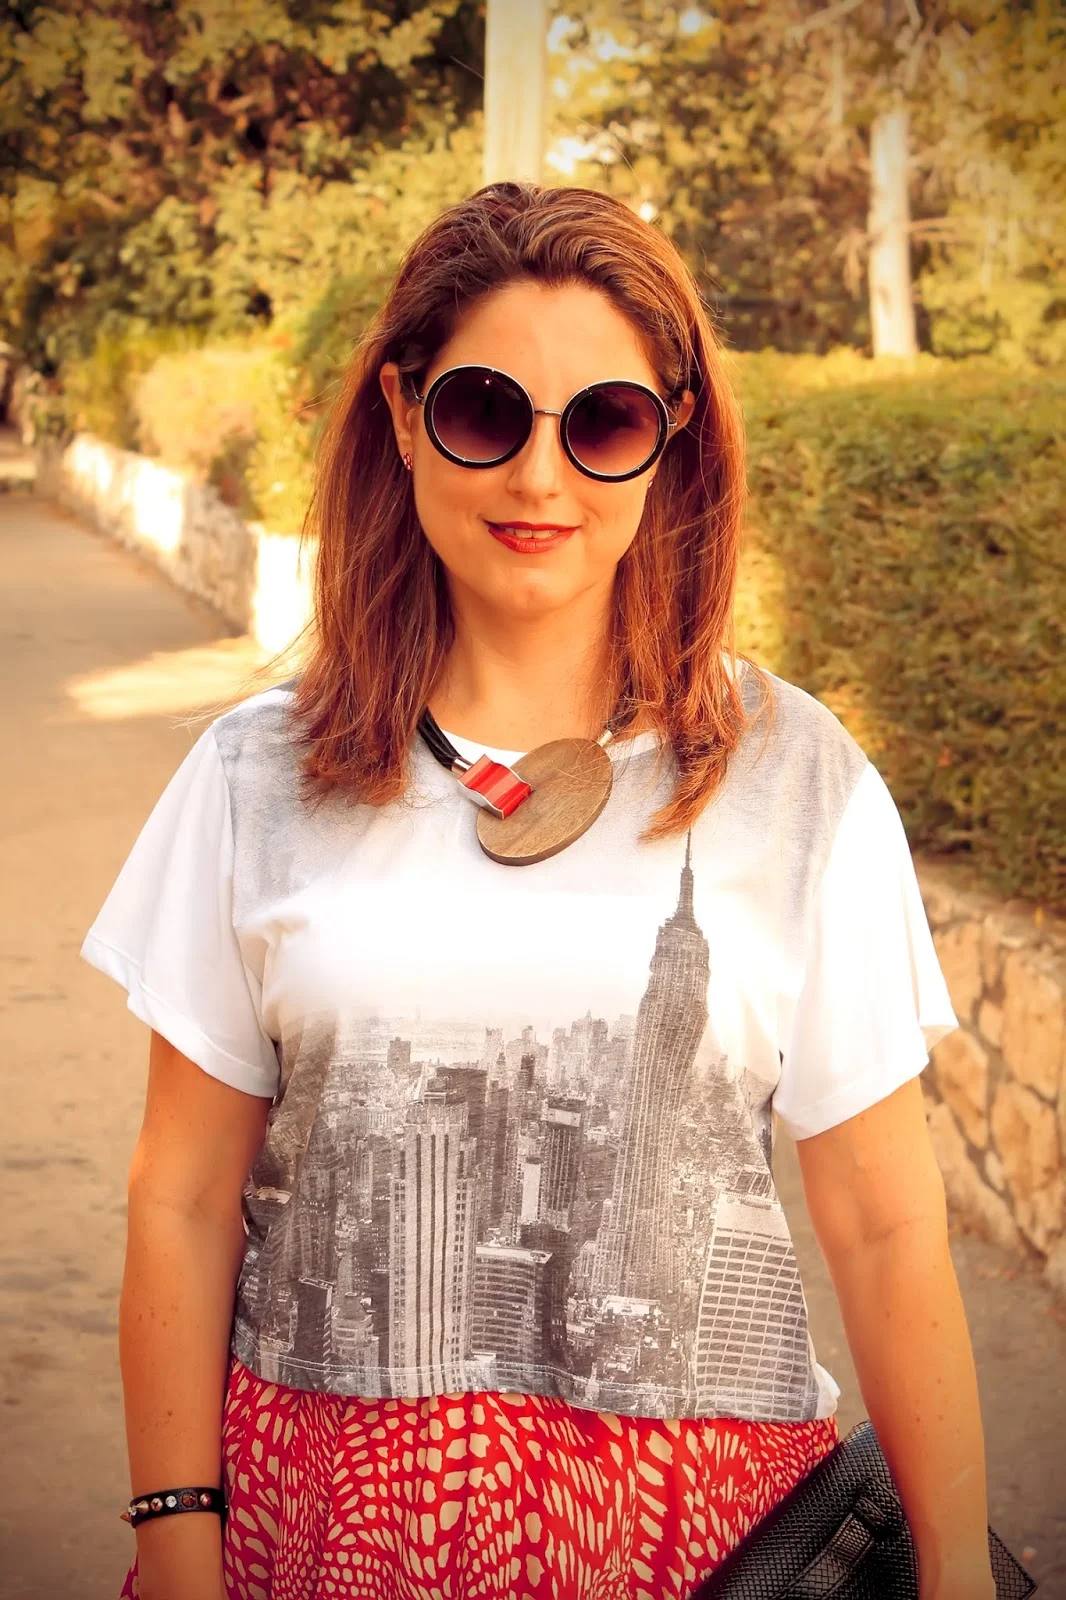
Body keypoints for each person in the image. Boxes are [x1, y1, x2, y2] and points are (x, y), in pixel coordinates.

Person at [83, 182, 996, 1600]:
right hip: (315, 1533)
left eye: (604, 423)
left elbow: (884, 1228)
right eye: (483, 411)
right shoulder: (253, 777)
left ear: (670, 441)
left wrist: (953, 1575)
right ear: (404, 414)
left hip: (703, 1545)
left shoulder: (798, 781)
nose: (537, 477)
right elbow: (183, 1199)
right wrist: (176, 1540)